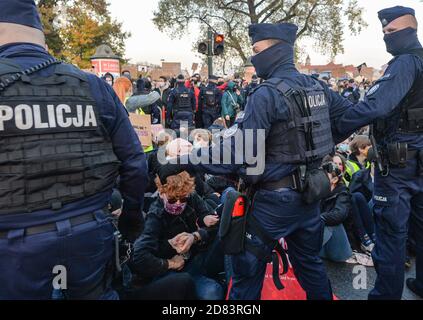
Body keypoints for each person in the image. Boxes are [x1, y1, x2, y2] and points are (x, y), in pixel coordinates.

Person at [188, 23, 353, 300]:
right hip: (311, 194)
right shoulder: (316, 87)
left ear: (274, 49)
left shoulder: (266, 94)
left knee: (246, 272)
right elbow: (349, 117)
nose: (253, 57)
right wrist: (316, 149)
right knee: (311, 268)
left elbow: (239, 155)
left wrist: (187, 158)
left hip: (273, 201)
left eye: (256, 50)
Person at [0, 0, 148, 299]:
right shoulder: (92, 86)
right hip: (90, 234)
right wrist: (132, 216)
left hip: (16, 249)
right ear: (39, 34)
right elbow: (134, 162)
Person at [334, 6, 423, 299]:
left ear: (412, 29)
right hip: (416, 159)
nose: (386, 36)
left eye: (393, 31)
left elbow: (377, 106)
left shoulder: (405, 63)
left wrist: (336, 131)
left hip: (398, 166)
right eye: (384, 32)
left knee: (391, 237)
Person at [130, 169, 225, 300]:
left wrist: (195, 236)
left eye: (183, 198)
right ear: (161, 192)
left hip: (196, 260)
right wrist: (170, 262)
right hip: (170, 273)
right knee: (210, 294)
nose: (179, 204)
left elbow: (214, 224)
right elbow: (140, 256)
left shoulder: (191, 197)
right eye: (173, 199)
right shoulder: (155, 215)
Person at [319, 160, 353, 263]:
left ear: (334, 180)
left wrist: (316, 218)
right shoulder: (318, 191)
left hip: (338, 250)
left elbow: (339, 215)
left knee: (331, 221)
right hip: (322, 246)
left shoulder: (343, 193)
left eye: (324, 176)